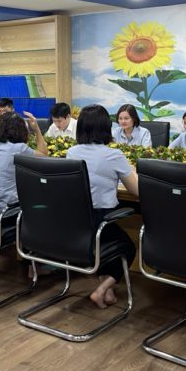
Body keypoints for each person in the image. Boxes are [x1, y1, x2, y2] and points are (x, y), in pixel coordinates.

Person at [65, 104, 139, 310]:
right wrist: (132, 169)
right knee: (127, 247)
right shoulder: (113, 155)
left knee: (107, 241)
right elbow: (136, 191)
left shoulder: (71, 152)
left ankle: (107, 291)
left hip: (77, 221)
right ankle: (101, 289)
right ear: (106, 128)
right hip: (101, 219)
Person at [0, 111, 47, 213]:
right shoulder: (19, 149)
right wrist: (37, 129)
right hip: (8, 209)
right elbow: (43, 155)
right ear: (21, 129)